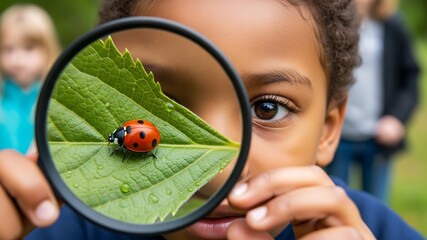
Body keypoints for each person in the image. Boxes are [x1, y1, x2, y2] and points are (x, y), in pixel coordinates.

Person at [0, 0, 423, 239]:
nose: (219, 170)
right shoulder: (58, 229)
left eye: (267, 109)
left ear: (329, 130)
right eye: (162, 102)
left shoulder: (376, 232)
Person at [326, 0, 420, 202]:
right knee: (332, 200)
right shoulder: (330, 25)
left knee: (375, 204)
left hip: (377, 137)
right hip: (339, 135)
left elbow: (410, 78)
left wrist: (396, 117)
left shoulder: (392, 26)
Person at [0, 4, 60, 154]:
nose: (17, 60)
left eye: (29, 48)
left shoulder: (56, 98)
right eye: (8, 49)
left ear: (48, 49)